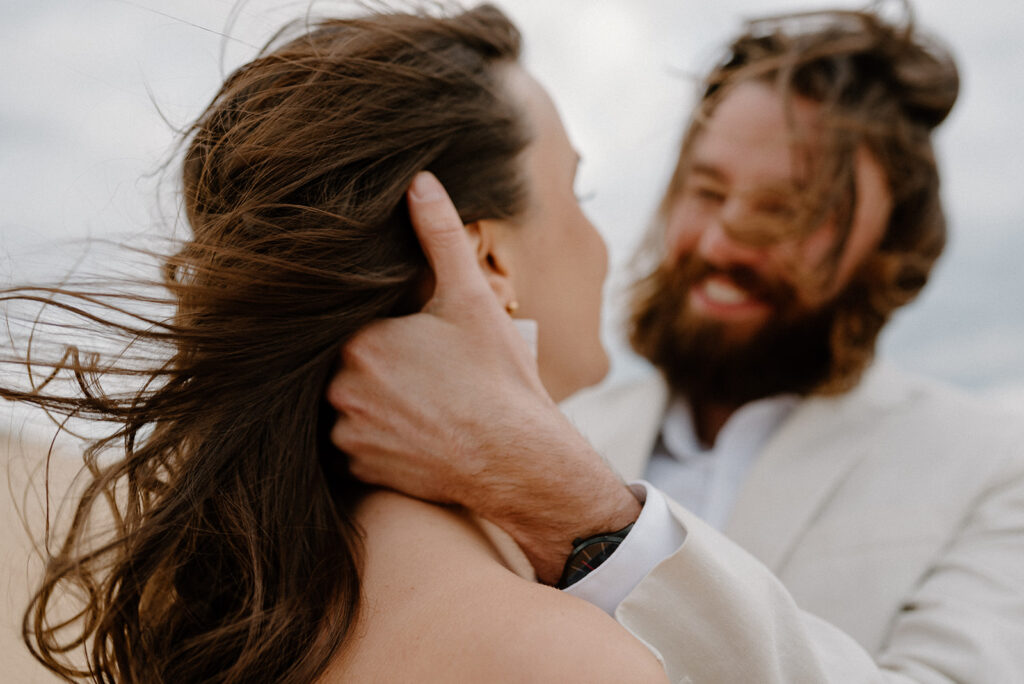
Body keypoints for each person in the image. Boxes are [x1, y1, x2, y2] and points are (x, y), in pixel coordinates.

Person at [327, 5, 1024, 682]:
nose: (721, 242)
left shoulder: (993, 468)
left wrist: (589, 518)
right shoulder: (557, 420)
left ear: (893, 250)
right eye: (708, 190)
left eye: (787, 211)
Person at [0, 5, 669, 682]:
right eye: (578, 191)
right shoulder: (565, 658)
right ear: (486, 261)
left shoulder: (240, 602)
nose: (601, 241)